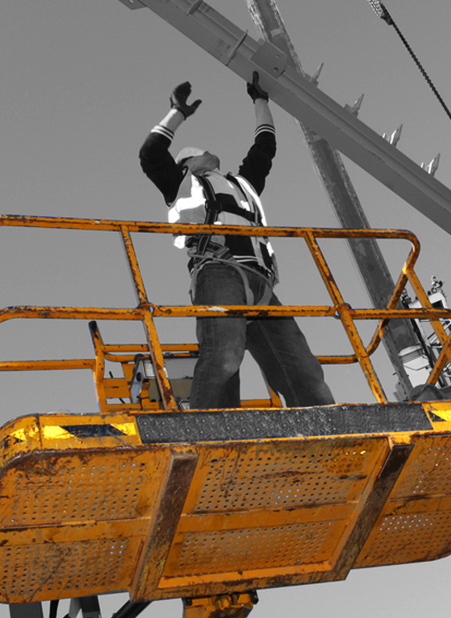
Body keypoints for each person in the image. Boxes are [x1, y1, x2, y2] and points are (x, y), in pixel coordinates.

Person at [139, 73, 336, 411]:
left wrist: (260, 101)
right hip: (218, 271)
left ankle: (330, 432)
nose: (209, 153)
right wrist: (177, 114)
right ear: (187, 163)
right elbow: (150, 154)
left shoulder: (242, 184)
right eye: (198, 154)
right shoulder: (181, 183)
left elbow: (265, 147)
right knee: (224, 357)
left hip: (261, 284)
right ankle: (208, 435)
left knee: (302, 369)